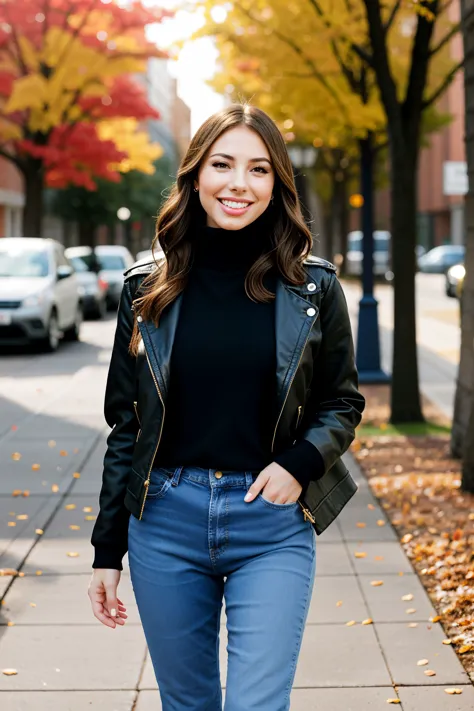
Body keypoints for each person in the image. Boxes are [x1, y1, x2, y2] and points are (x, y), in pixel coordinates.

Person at [88, 103, 365, 711]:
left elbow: (341, 400)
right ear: (194, 176)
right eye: (223, 164)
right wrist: (107, 549)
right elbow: (126, 425)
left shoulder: (312, 288)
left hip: (270, 524)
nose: (239, 183)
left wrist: (298, 464)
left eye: (259, 169)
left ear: (277, 184)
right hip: (164, 520)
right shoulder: (145, 289)